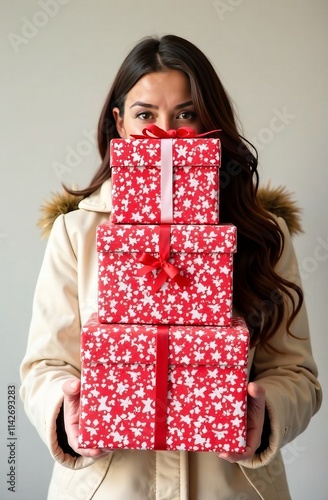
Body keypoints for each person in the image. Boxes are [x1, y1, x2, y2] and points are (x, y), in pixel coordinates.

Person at [20, 34, 322, 500]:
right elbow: (43, 366)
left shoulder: (263, 234)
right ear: (119, 124)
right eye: (145, 115)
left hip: (232, 487)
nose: (167, 132)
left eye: (186, 114)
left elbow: (297, 375)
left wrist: (267, 415)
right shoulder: (77, 234)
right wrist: (66, 416)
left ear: (209, 124)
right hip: (109, 486)